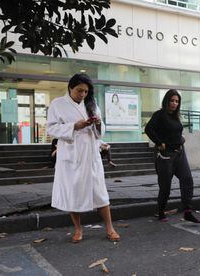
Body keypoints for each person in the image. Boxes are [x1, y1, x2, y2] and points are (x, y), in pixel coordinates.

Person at [46, 73, 120, 243]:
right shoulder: (57, 104)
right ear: (70, 87)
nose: (83, 95)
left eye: (86, 91)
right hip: (71, 155)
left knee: (101, 193)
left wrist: (97, 123)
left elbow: (100, 131)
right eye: (79, 90)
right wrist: (74, 126)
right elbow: (51, 129)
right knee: (74, 194)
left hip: (91, 154)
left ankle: (110, 228)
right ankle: (78, 229)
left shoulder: (92, 105)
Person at [145, 89, 200, 223]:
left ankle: (187, 211)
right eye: (172, 101)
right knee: (165, 186)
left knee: (187, 179)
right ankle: (160, 212)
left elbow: (174, 131)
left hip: (180, 153)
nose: (174, 104)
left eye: (177, 101)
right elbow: (148, 129)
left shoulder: (176, 116)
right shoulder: (159, 115)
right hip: (166, 156)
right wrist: (159, 142)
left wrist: (180, 139)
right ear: (166, 101)